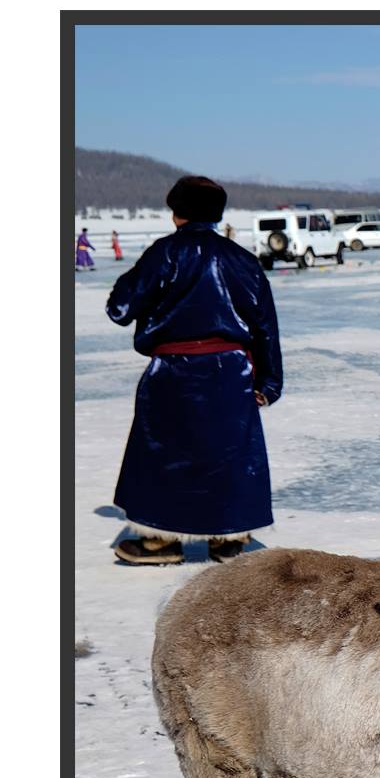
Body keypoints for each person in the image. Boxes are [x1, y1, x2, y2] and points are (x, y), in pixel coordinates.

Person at [106, 175, 283, 565]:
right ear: (217, 215)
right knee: (230, 454)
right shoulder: (242, 260)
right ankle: (229, 540)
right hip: (231, 373)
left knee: (164, 454)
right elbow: (265, 328)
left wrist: (138, 278)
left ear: (177, 213)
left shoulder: (164, 253)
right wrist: (269, 382)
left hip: (172, 373)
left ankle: (160, 540)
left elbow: (120, 308)